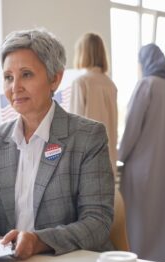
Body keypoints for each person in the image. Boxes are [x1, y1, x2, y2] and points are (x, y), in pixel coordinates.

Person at [0, 28, 115, 260]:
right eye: (8, 77)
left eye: (26, 74)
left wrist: (39, 241)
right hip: (10, 261)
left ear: (55, 78)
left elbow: (97, 223)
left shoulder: (88, 136)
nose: (15, 87)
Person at [118, 43, 165, 262]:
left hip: (141, 170)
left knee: (138, 222)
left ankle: (139, 261)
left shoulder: (146, 85)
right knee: (162, 220)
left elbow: (132, 127)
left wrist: (119, 156)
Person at [69, 32, 118, 176]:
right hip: (108, 161)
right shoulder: (110, 84)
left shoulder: (81, 82)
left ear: (82, 53)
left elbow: (73, 127)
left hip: (86, 162)